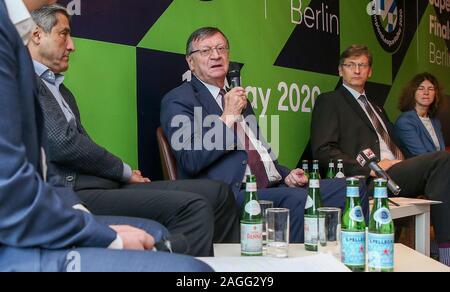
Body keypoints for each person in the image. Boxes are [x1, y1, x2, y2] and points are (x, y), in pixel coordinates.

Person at [0, 0, 212, 272]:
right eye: (64, 34)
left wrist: (83, 216)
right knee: (193, 271)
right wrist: (101, 234)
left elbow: (42, 170)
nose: (72, 45)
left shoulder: (18, 41)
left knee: (158, 236)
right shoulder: (10, 37)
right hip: (15, 248)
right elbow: (18, 186)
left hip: (48, 211)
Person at [160, 27, 368, 243]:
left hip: (271, 187)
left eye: (221, 48)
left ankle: (354, 258)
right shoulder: (179, 100)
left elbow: (259, 152)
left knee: (353, 187)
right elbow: (190, 159)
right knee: (298, 199)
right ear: (190, 62)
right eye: (205, 51)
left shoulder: (238, 98)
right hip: (230, 195)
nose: (216, 55)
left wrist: (286, 174)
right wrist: (228, 116)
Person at [311, 44, 450, 266]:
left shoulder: (377, 108)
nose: (357, 70)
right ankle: (446, 255)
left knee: (443, 166)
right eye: (351, 65)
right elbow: (323, 150)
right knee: (443, 160)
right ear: (340, 70)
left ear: (370, 71)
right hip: (371, 177)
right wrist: (372, 168)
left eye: (362, 65)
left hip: (398, 171)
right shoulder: (330, 101)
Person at [395, 73, 446, 157]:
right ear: (413, 93)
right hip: (420, 168)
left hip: (439, 166)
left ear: (436, 94)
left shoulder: (436, 122)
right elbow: (422, 156)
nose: (426, 92)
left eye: (430, 88)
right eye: (421, 88)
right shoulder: (405, 121)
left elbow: (442, 151)